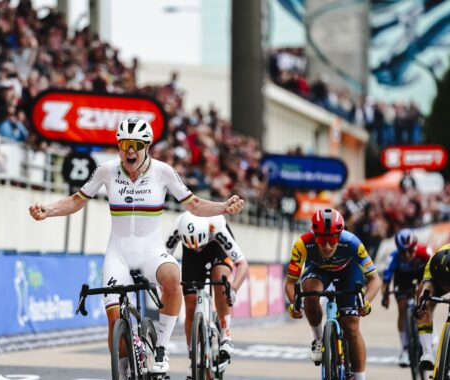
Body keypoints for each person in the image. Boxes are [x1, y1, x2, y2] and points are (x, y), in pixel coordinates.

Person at [29, 117, 245, 376]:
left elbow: (195, 204)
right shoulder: (106, 171)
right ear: (119, 146)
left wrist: (223, 207)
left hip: (150, 251)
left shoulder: (163, 172)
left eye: (137, 145)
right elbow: (77, 200)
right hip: (118, 254)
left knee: (173, 278)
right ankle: (124, 368)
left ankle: (162, 350)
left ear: (147, 146)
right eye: (125, 144)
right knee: (114, 325)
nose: (130, 150)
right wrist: (47, 210)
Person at [284, 208, 382, 380]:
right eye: (322, 240)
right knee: (310, 292)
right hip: (318, 271)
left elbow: (375, 279)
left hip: (347, 272)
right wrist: (294, 304)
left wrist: (366, 301)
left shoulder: (352, 242)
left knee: (351, 328)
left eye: (332, 240)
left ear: (340, 235)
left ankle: (360, 377)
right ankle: (319, 339)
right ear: (314, 235)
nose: (327, 246)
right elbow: (291, 283)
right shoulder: (302, 244)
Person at [164, 212, 248, 363]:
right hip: (191, 255)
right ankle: (193, 359)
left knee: (219, 279)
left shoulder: (216, 226)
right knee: (190, 304)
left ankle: (226, 336)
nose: (197, 249)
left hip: (216, 246)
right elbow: (162, 261)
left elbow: (242, 264)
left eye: (198, 247)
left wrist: (233, 289)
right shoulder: (178, 226)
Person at [381, 228, 432, 367]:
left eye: (410, 250)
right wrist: (385, 296)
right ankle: (404, 349)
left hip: (421, 275)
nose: (408, 255)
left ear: (415, 246)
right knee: (402, 308)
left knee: (424, 302)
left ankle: (430, 331)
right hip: (402, 279)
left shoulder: (425, 251)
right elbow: (385, 281)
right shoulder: (394, 257)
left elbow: (434, 267)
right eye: (403, 252)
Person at [416, 244, 450, 370]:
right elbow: (427, 288)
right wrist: (423, 305)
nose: (446, 286)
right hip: (438, 276)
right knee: (423, 300)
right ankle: (427, 353)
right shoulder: (432, 264)